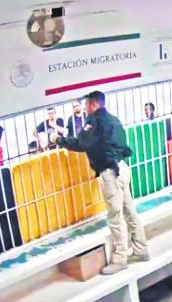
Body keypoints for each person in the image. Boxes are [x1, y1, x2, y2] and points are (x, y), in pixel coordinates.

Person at [51, 90, 149, 275]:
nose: (85, 108)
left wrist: (57, 140)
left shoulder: (94, 121)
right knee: (130, 212)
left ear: (94, 104)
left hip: (110, 173)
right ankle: (141, 249)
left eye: (86, 104)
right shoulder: (113, 120)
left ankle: (120, 259)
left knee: (115, 217)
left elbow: (80, 144)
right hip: (122, 168)